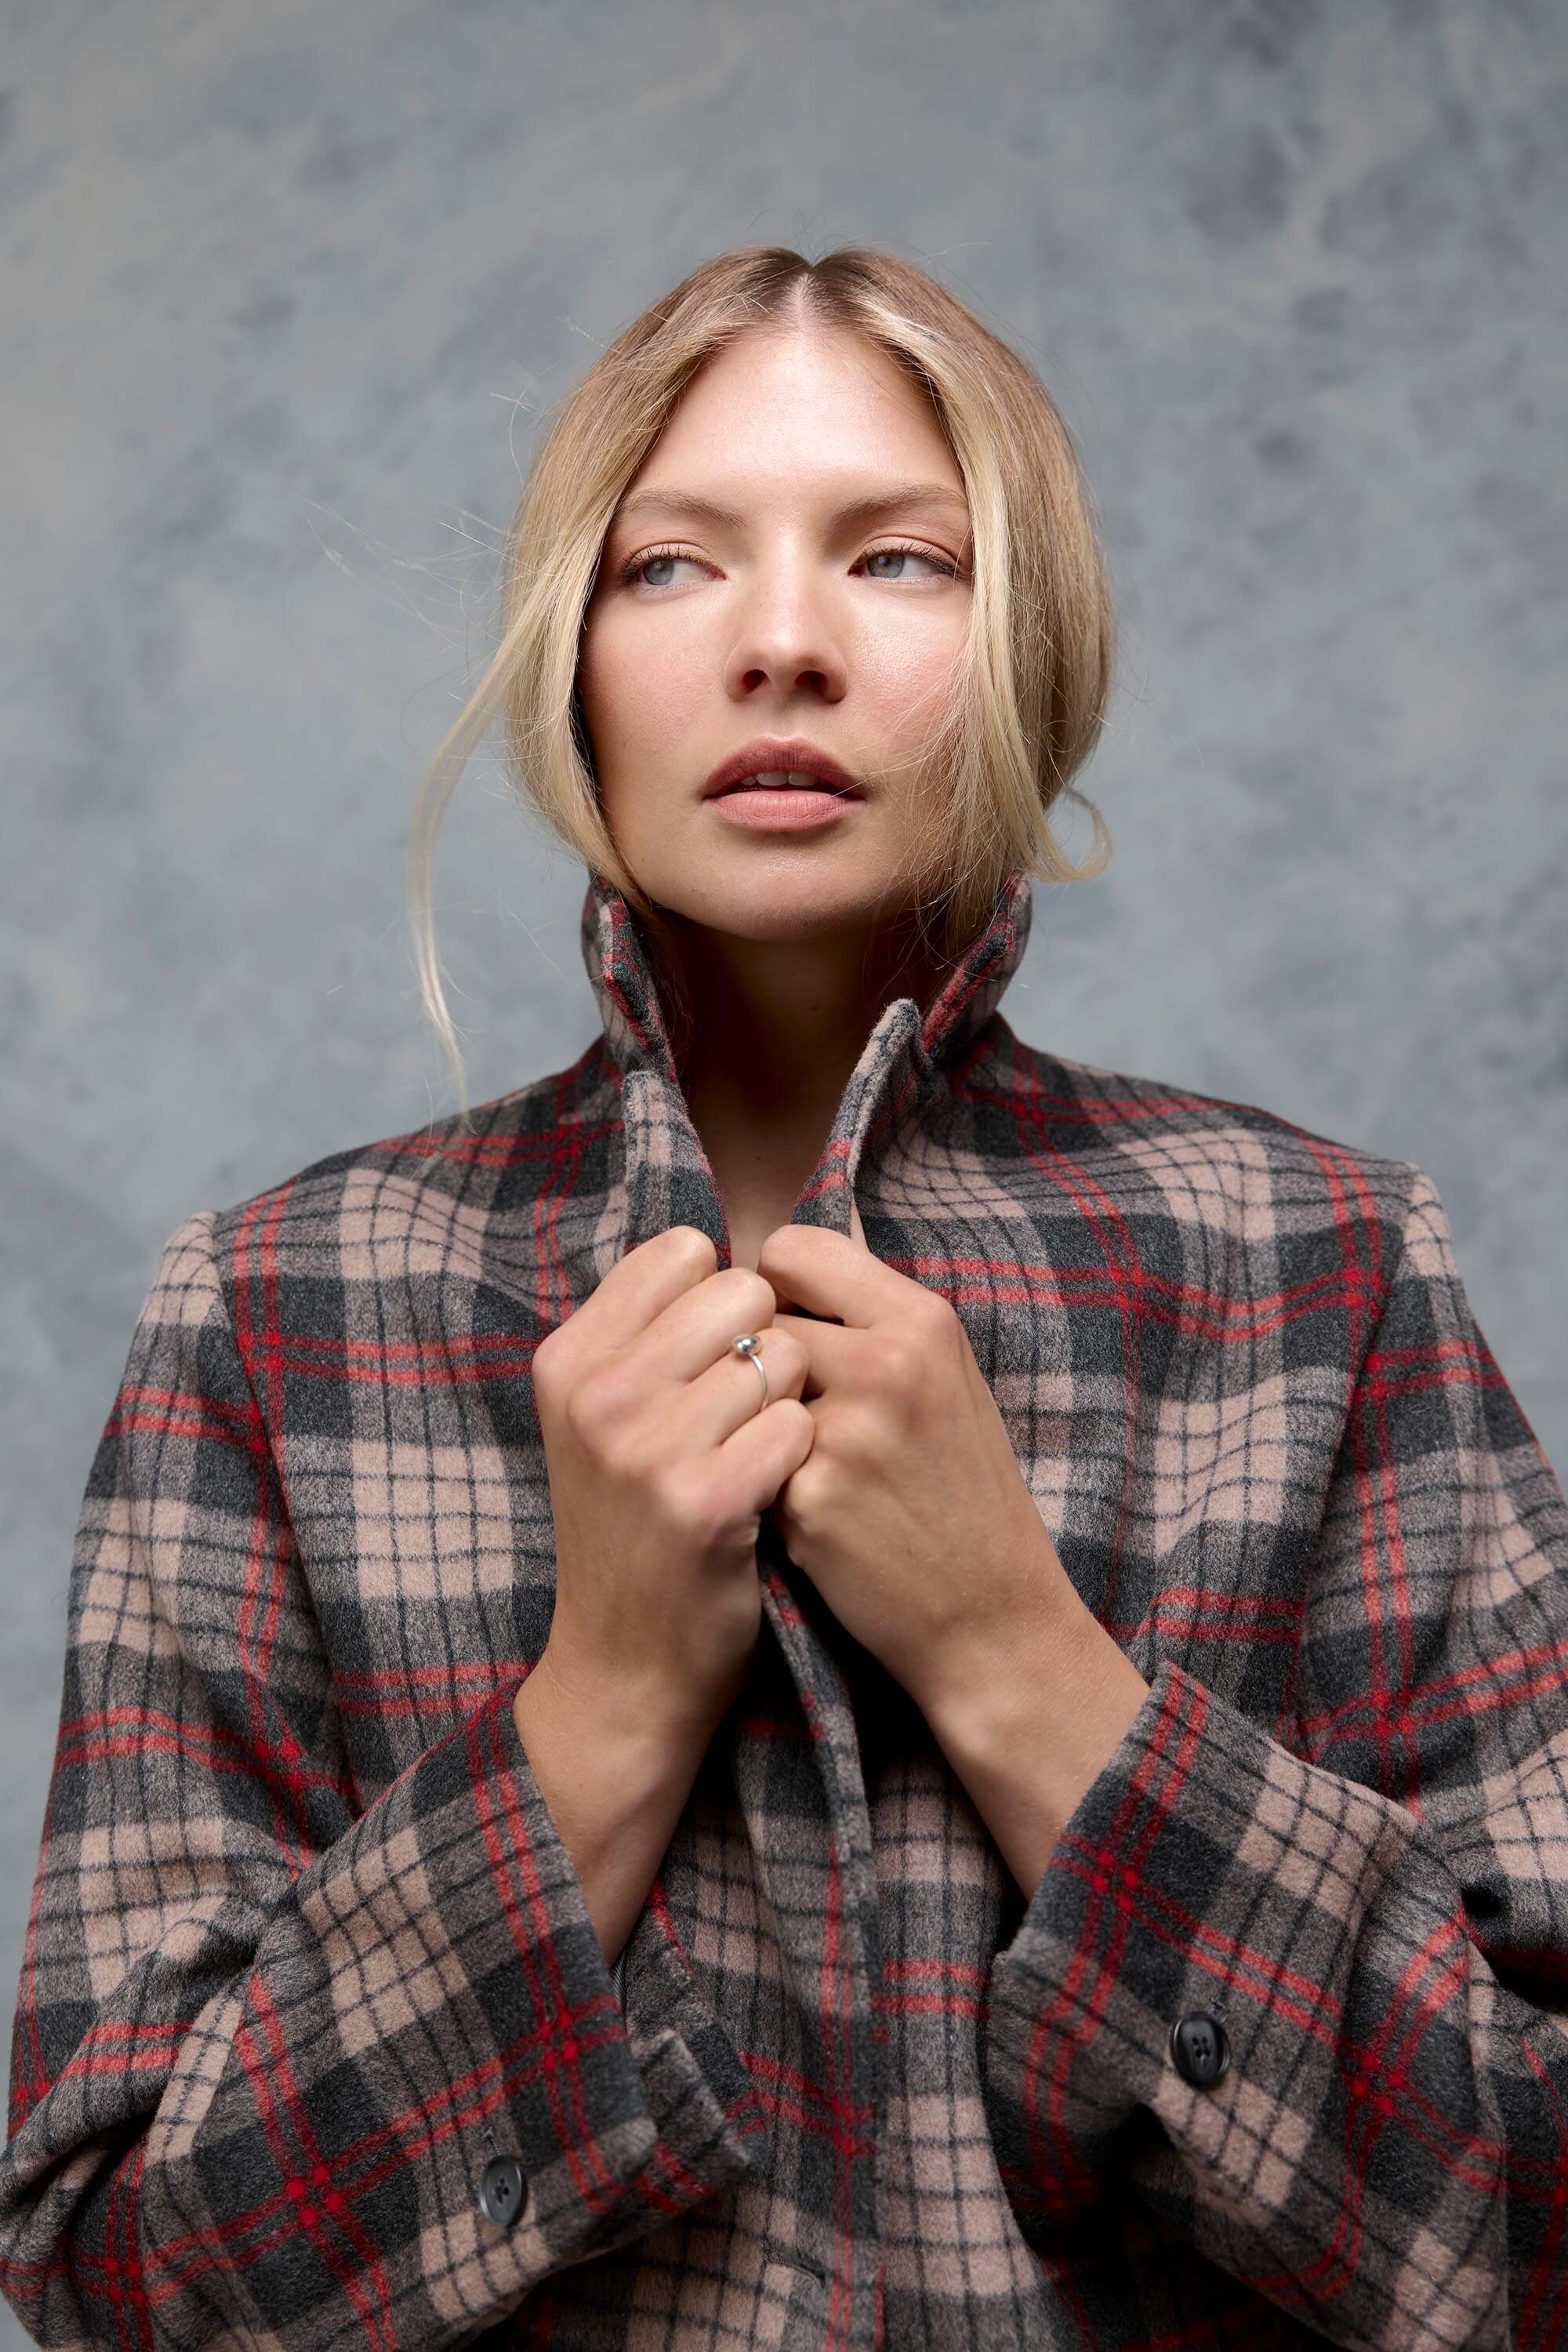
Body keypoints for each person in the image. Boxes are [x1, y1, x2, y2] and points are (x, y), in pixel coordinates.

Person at [1, 243, 1564, 2352]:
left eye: (899, 559)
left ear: (1027, 641)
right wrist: (606, 1703)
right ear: (568, 652)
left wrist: (1022, 1656)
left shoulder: (1321, 1269)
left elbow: (1538, 2223)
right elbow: (116, 2286)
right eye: (673, 566)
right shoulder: (280, 1318)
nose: (787, 645)